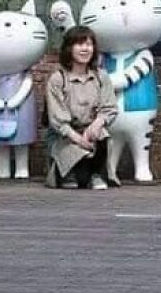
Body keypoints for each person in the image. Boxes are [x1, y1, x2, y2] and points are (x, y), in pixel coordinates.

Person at [45, 26, 118, 190]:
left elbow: (110, 107)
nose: (85, 49)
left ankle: (96, 174)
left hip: (91, 132)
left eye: (89, 44)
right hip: (65, 135)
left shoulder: (101, 76)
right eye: (79, 44)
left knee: (102, 136)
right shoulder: (58, 79)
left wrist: (97, 124)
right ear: (69, 48)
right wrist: (79, 139)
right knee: (78, 178)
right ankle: (66, 172)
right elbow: (57, 121)